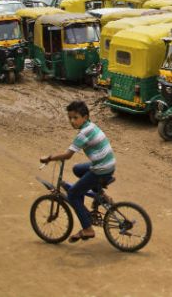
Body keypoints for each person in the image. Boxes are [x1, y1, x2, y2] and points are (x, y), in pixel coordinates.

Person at [40, 100, 116, 243]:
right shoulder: (91, 126)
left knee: (73, 194)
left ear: (85, 117)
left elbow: (68, 155)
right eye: (70, 118)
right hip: (109, 165)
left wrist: (49, 158)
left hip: (101, 169)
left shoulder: (83, 133)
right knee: (77, 169)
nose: (72, 121)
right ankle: (100, 194)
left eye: (75, 118)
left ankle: (88, 229)